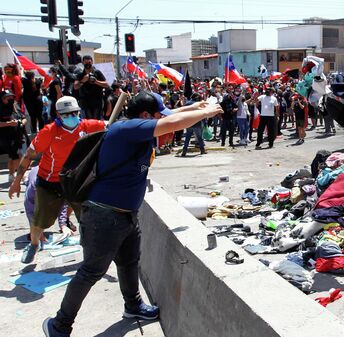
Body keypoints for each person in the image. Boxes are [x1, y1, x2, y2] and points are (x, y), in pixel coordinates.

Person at [41, 91, 222, 337]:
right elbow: (169, 122)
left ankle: (133, 306)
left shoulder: (137, 127)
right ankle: (59, 325)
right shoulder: (126, 130)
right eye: (157, 114)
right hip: (104, 217)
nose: (161, 119)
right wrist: (206, 112)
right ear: (145, 116)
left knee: (129, 263)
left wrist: (193, 106)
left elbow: (170, 116)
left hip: (126, 215)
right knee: (92, 271)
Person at [9, 96, 106, 264]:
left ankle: (90, 251)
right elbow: (28, 156)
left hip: (76, 181)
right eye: (66, 114)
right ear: (59, 115)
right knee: (41, 221)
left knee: (87, 218)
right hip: (50, 182)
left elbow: (113, 126)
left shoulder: (88, 126)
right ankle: (33, 245)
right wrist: (16, 182)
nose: (71, 117)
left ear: (78, 112)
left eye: (73, 113)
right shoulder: (48, 132)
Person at [0, 90, 27, 182]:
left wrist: (21, 123)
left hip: (17, 135)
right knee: (16, 156)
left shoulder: (15, 105)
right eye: (8, 97)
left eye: (11, 96)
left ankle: (11, 175)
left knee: (12, 157)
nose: (11, 98)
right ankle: (21, 176)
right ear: (3, 99)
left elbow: (24, 118)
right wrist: (8, 123)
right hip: (6, 138)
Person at [74, 55, 109, 120]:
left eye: (89, 63)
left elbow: (107, 84)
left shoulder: (97, 73)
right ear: (83, 63)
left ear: (92, 62)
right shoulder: (80, 74)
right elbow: (75, 86)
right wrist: (83, 81)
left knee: (96, 121)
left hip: (97, 102)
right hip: (85, 103)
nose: (87, 65)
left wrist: (96, 82)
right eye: (86, 63)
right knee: (87, 122)